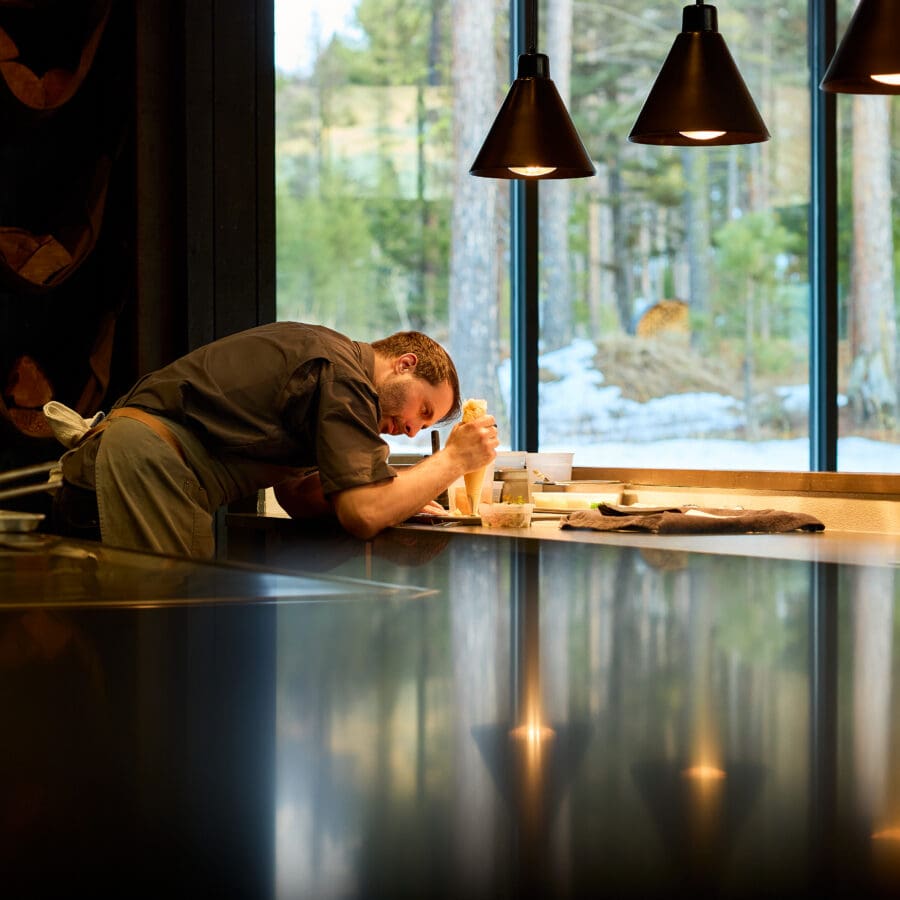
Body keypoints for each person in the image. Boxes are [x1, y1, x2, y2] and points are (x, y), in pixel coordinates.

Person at [50, 321, 498, 557]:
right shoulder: (345, 377)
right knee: (170, 642)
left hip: (129, 460)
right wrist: (452, 460)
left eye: (428, 426)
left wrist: (400, 495)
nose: (414, 430)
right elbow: (362, 514)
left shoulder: (334, 369)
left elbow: (299, 496)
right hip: (149, 466)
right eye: (423, 410)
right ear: (405, 363)